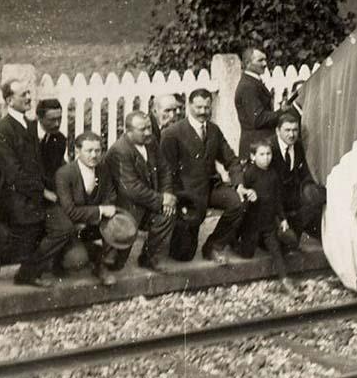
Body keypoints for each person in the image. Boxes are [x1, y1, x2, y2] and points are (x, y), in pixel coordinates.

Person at [160, 88, 249, 263]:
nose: (203, 112)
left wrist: (239, 184)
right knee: (183, 255)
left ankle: (213, 246)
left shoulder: (214, 130)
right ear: (189, 106)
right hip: (187, 195)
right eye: (198, 107)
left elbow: (231, 159)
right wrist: (173, 198)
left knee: (239, 202)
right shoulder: (172, 134)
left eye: (207, 108)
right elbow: (166, 172)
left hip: (211, 188)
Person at [0, 79, 61, 288]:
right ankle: (25, 273)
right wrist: (43, 192)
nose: (29, 98)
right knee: (36, 231)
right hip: (17, 198)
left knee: (63, 228)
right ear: (10, 100)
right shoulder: (2, 131)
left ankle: (32, 270)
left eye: (29, 93)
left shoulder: (29, 125)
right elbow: (14, 174)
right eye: (23, 95)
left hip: (34, 194)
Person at [105, 112, 179, 272]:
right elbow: (130, 188)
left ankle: (149, 258)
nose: (148, 132)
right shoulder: (120, 151)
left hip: (147, 202)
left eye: (149, 128)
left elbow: (164, 169)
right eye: (142, 129)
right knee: (115, 265)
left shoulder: (150, 143)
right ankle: (105, 255)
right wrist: (161, 200)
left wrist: (166, 194)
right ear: (128, 131)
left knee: (168, 214)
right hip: (125, 208)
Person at [55, 131, 122, 286]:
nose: (94, 155)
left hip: (92, 222)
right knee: (77, 260)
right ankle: (61, 259)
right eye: (88, 151)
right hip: (71, 227)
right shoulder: (64, 174)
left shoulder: (103, 169)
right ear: (77, 151)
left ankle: (102, 266)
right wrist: (99, 211)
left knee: (116, 222)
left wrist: (102, 213)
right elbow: (69, 211)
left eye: (97, 151)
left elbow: (110, 197)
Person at [236, 138, 299, 293]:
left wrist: (283, 219)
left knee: (276, 251)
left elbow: (278, 199)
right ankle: (234, 241)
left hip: (268, 224)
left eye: (269, 154)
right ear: (253, 156)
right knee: (246, 254)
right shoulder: (249, 173)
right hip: (251, 224)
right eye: (262, 154)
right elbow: (240, 196)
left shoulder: (273, 174)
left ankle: (285, 280)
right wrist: (249, 194)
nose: (266, 158)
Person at [270, 110, 325, 240]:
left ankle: (297, 229)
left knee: (315, 196)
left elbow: (305, 172)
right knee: (287, 241)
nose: (291, 134)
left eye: (295, 130)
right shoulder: (269, 149)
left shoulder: (299, 146)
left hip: (293, 199)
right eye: (287, 130)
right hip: (274, 203)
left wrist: (308, 189)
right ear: (278, 131)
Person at [235, 46, 284, 159]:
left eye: (265, 60)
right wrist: (281, 112)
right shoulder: (248, 86)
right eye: (260, 60)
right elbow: (258, 119)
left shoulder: (253, 82)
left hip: (260, 145)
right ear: (247, 63)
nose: (265, 64)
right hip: (256, 147)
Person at [34, 98, 68, 197]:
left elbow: (54, 171)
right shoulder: (25, 135)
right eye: (52, 120)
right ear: (40, 118)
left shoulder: (60, 140)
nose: (57, 124)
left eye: (59, 118)